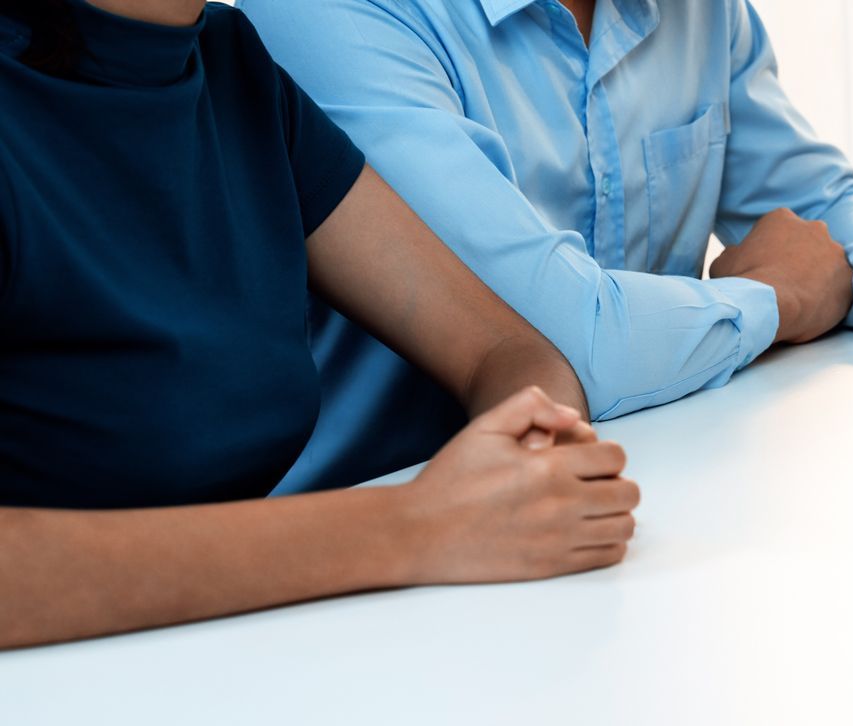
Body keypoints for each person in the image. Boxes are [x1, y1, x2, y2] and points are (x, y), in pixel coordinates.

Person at [236, 0, 853, 494]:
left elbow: (810, 206)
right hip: (371, 537)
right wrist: (776, 302)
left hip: (639, 493)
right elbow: (557, 343)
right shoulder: (334, 15)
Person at [0, 0, 640, 649]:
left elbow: (500, 346)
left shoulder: (229, 63)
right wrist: (416, 527)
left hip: (237, 656)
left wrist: (530, 457)